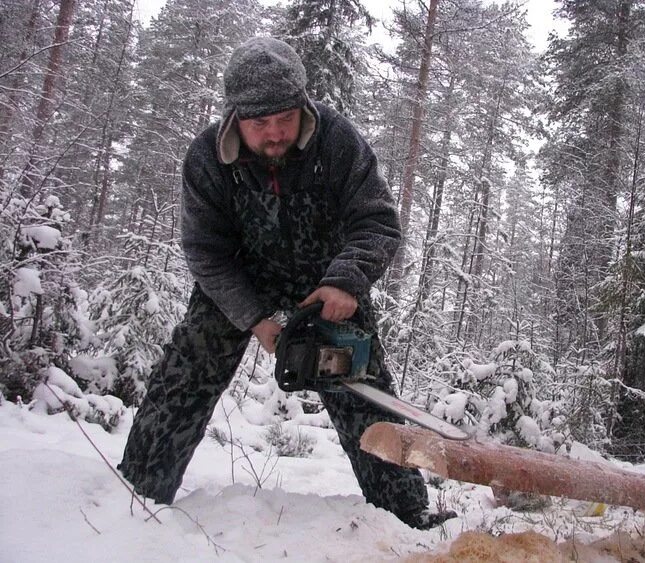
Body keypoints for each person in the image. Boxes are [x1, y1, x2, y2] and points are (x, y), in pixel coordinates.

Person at [118, 37, 455, 530]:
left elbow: (377, 222)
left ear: (302, 106)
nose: (274, 134)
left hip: (327, 287)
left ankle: (408, 516)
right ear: (236, 117)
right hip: (237, 284)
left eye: (285, 119)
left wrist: (346, 282)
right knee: (182, 378)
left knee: (365, 394)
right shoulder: (207, 160)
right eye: (260, 124)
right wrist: (255, 318)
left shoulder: (338, 142)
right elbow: (205, 253)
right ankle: (135, 495)